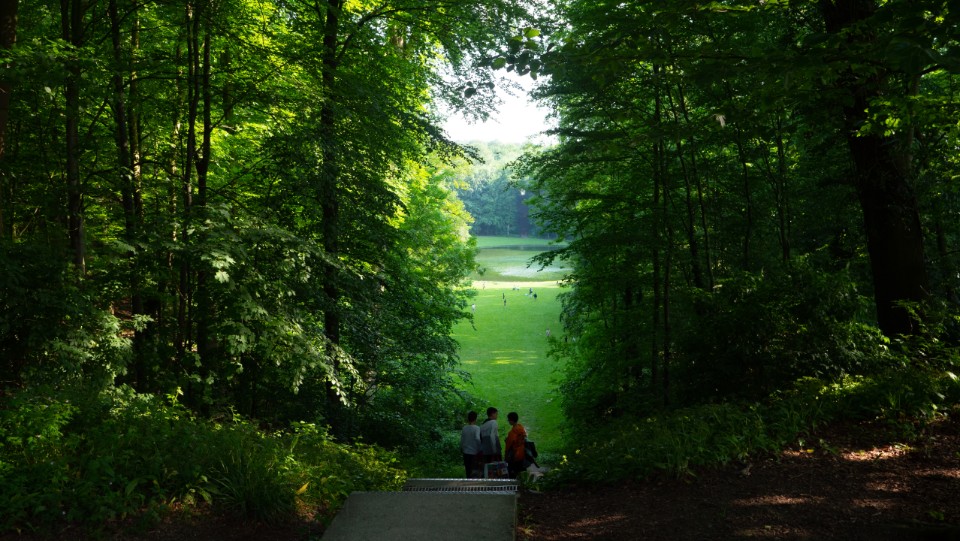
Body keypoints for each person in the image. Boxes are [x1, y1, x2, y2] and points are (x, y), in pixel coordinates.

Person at [504, 411, 528, 478]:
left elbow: (508, 446)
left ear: (511, 420)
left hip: (515, 455)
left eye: (508, 420)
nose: (508, 421)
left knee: (513, 472)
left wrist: (506, 456)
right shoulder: (521, 428)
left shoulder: (512, 433)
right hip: (522, 453)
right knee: (521, 471)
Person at [460, 411, 482, 478]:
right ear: (475, 419)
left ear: (468, 419)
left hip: (466, 452)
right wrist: (480, 448)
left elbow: (462, 440)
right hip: (474, 452)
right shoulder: (477, 428)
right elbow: (477, 438)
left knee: (468, 470)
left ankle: (468, 481)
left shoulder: (464, 428)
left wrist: (462, 448)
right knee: (474, 471)